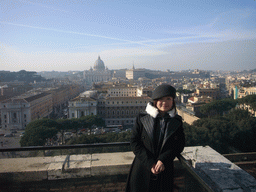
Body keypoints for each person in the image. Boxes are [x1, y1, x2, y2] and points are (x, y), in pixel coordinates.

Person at [125, 84, 185, 192]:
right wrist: (150, 162)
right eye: (161, 99)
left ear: (173, 101)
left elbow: (179, 145)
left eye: (168, 99)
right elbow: (134, 142)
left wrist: (163, 159)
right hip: (142, 167)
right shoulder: (142, 118)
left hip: (164, 168)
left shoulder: (177, 121)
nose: (165, 103)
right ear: (155, 101)